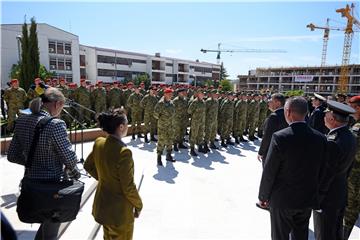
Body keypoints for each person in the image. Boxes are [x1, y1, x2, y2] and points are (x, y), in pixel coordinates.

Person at [7, 87, 80, 240]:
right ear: (57, 104)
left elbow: (12, 155)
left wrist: (33, 163)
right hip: (52, 187)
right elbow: (70, 158)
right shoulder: (56, 124)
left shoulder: (22, 120)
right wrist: (76, 173)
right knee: (51, 232)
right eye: (62, 107)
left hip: (31, 184)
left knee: (46, 227)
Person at [258, 97, 327, 240]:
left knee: (280, 236)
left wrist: (263, 196)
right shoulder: (320, 138)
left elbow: (270, 171)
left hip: (282, 200)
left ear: (288, 112)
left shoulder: (280, 137)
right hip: (306, 199)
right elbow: (323, 170)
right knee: (301, 235)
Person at [84, 108, 142, 240]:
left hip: (104, 207)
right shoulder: (124, 152)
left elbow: (88, 165)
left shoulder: (99, 142)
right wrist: (139, 204)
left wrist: (106, 178)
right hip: (119, 213)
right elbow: (128, 187)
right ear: (121, 127)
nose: (128, 127)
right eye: (127, 124)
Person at [313, 100, 357, 240]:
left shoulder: (333, 141)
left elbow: (326, 173)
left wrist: (318, 199)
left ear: (332, 118)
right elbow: (348, 168)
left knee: (324, 235)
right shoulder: (350, 136)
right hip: (340, 194)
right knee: (335, 233)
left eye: (326, 115)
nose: (324, 117)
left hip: (327, 199)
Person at [343, 95, 360, 239]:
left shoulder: (357, 128)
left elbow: (354, 153)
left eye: (351, 108)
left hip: (355, 176)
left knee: (349, 210)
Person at [258, 93, 288, 168]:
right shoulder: (287, 114)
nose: (269, 102)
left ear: (278, 103)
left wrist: (261, 152)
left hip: (272, 152)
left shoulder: (274, 116)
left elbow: (267, 136)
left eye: (271, 101)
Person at [154, 88, 176, 166]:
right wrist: (162, 119)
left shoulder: (171, 103)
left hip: (170, 126)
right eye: (169, 94)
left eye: (171, 94)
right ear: (165, 94)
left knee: (170, 141)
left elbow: (173, 113)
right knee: (161, 141)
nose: (171, 95)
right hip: (162, 126)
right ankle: (159, 158)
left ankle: (168, 155)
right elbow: (155, 114)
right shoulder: (160, 103)